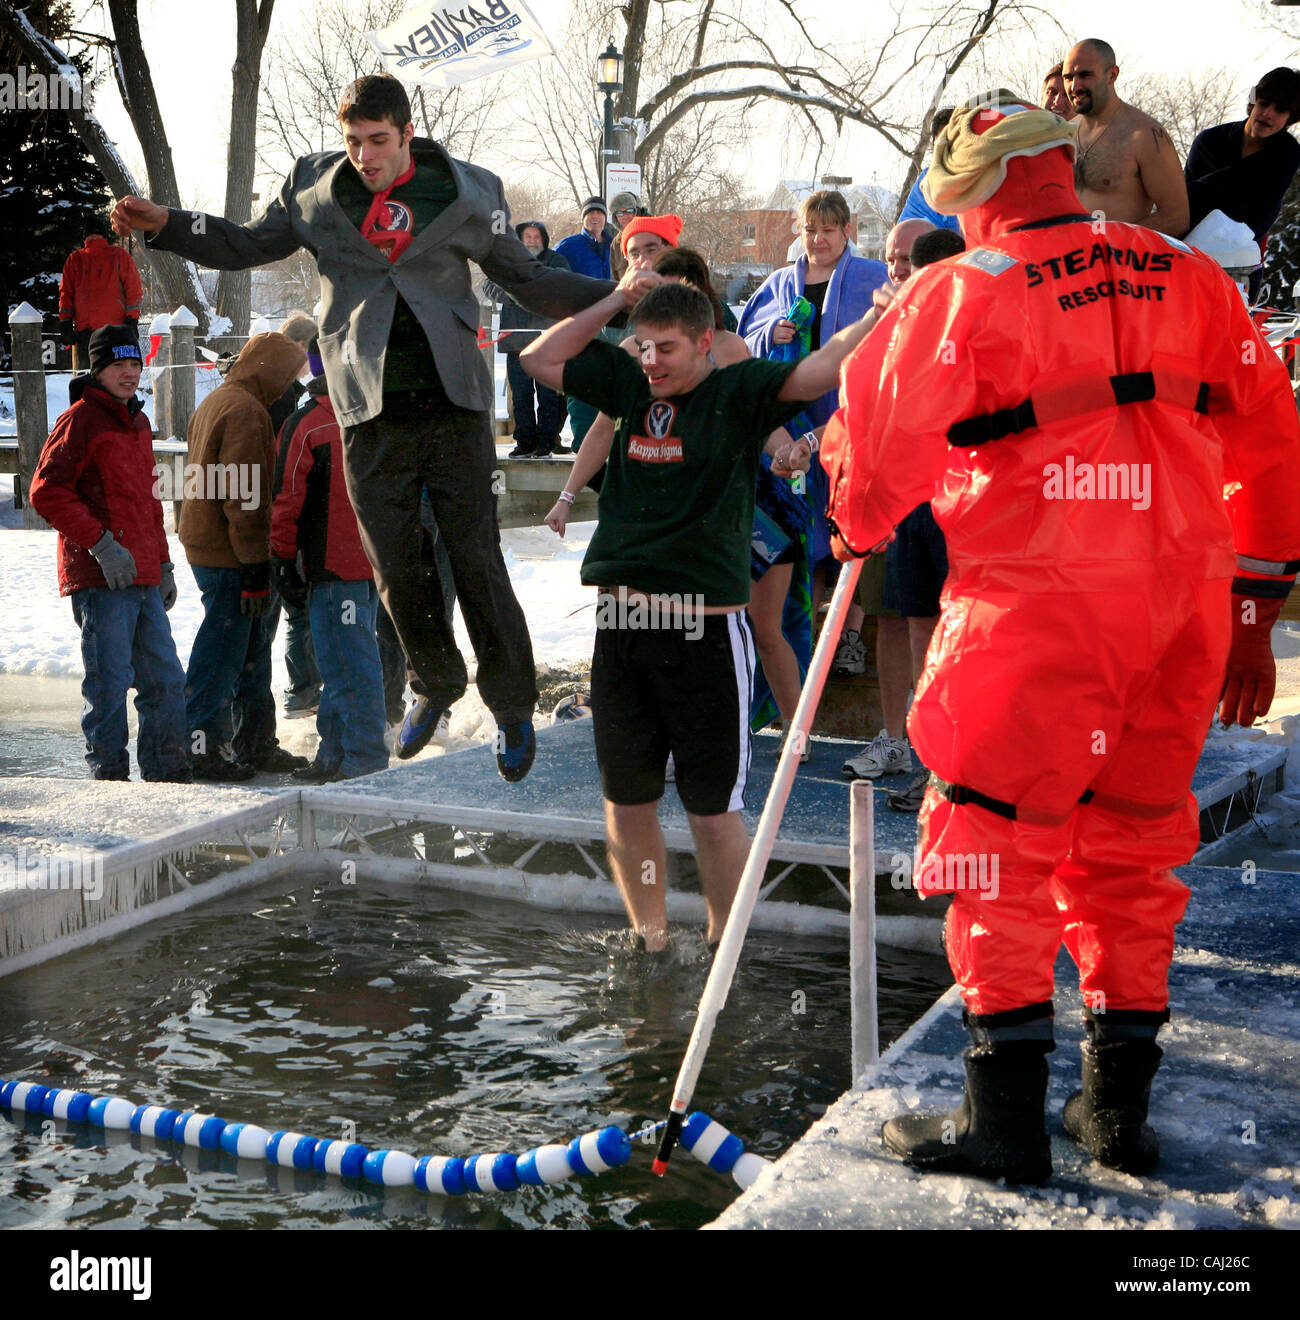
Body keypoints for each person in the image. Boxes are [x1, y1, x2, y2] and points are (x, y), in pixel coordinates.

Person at [822, 91, 1300, 1184]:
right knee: (1132, 852)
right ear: (1058, 168)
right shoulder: (1187, 273)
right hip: (1180, 614)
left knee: (994, 846)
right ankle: (1116, 1115)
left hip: (1035, 618)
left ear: (970, 190)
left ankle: (1003, 1124)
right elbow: (1270, 443)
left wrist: (851, 506)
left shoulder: (959, 289)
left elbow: (870, 470)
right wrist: (1252, 614)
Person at [111, 74, 615, 783]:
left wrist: (621, 298)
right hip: (365, 406)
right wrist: (166, 222)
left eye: (378, 141)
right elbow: (245, 244)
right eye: (352, 141)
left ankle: (509, 706)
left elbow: (530, 281)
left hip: (454, 402)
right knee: (393, 566)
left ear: (408, 133)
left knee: (474, 559)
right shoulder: (314, 191)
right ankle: (435, 682)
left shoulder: (470, 193)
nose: (365, 156)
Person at [522, 274, 882, 952]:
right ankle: (651, 940)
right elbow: (538, 358)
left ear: (707, 344)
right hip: (623, 626)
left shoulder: (735, 393)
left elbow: (820, 368)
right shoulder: (629, 384)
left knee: (713, 813)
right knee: (627, 804)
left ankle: (725, 950)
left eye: (668, 349)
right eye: (644, 346)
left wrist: (882, 312)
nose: (652, 360)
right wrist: (613, 303)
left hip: (705, 630)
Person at [544, 244, 808, 745]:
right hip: (669, 509)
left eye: (662, 289)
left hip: (745, 503)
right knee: (653, 620)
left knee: (764, 628)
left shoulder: (728, 348)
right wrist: (568, 493)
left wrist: (787, 451)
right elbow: (603, 425)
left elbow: (760, 418)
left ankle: (796, 734)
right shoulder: (632, 354)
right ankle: (658, 734)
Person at [29, 324, 190, 782]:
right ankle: (109, 780)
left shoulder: (138, 423)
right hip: (102, 579)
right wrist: (101, 545)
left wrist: (163, 563)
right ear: (97, 370)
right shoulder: (80, 420)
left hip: (142, 575)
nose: (129, 372)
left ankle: (170, 776)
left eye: (135, 363)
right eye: (118, 364)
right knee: (109, 684)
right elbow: (47, 491)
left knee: (165, 680)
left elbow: (147, 500)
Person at [738, 191, 890, 618]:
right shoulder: (778, 283)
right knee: (801, 522)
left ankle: (849, 632)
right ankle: (803, 625)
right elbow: (741, 347)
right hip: (789, 424)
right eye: (809, 230)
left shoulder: (872, 277)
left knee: (848, 522)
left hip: (847, 415)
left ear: (847, 231)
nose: (818, 239)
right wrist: (771, 333)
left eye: (827, 230)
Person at [179, 331, 311, 781]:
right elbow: (244, 498)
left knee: (250, 648)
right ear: (271, 370)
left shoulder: (220, 399)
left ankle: (253, 742)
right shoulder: (248, 414)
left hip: (211, 543)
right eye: (291, 373)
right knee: (222, 651)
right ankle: (203, 747)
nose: (293, 384)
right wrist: (256, 565)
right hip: (230, 553)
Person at [840, 217, 939, 783]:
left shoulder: (960, 314)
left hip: (948, 497)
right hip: (890, 495)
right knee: (890, 619)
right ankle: (895, 738)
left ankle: (936, 748)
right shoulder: (878, 321)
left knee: (934, 623)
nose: (899, 270)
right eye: (892, 258)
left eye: (910, 259)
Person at [271, 369, 389, 783]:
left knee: (350, 665)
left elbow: (286, 496)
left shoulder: (308, 424)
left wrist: (283, 558)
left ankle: (364, 759)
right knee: (347, 662)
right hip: (369, 562)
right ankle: (336, 752)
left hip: (333, 566)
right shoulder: (372, 413)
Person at [1185, 67, 1300, 302]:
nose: (1267, 113)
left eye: (1280, 110)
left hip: (1239, 264)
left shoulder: (1287, 154)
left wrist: (1206, 194)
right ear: (1252, 102)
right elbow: (1183, 201)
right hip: (1184, 253)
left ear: (1291, 118)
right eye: (1264, 103)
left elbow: (1253, 214)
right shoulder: (1209, 141)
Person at [1064, 39, 1189, 233]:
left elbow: (1176, 217)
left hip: (1119, 260)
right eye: (1068, 77)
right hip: (1063, 257)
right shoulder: (1062, 134)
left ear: (1112, 75)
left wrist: (1109, 243)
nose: (1074, 86)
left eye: (1085, 75)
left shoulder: (1144, 135)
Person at [271, 313, 323, 720]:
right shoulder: (283, 396)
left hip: (273, 516)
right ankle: (302, 691)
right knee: (296, 611)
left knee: (290, 612)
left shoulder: (280, 389)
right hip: (280, 519)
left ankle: (301, 690)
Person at [482, 221, 571, 457]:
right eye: (527, 236)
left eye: (536, 236)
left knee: (548, 396)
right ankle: (524, 442)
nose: (532, 240)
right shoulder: (506, 262)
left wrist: (538, 295)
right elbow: (489, 287)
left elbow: (565, 286)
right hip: (515, 340)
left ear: (544, 239)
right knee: (521, 396)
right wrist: (516, 294)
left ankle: (547, 441)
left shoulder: (556, 261)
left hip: (547, 341)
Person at [58, 216, 143, 371]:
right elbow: (134, 290)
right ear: (104, 235)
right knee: (115, 380)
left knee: (88, 381)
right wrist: (132, 319)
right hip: (116, 332)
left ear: (85, 236)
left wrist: (65, 322)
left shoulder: (74, 259)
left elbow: (66, 294)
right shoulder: (120, 255)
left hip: (85, 334)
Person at [899, 109, 963, 234]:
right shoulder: (926, 184)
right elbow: (907, 234)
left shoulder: (984, 176)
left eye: (955, 139)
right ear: (934, 144)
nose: (949, 148)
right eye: (943, 141)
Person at [552, 197, 614, 278]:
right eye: (591, 213)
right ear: (583, 218)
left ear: (605, 218)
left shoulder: (615, 246)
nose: (595, 217)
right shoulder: (566, 247)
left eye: (599, 213)